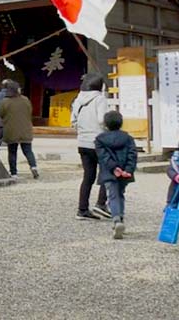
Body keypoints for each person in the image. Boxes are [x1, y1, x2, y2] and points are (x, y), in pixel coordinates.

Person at [71, 73, 109, 220]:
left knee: (88, 176)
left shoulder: (77, 100)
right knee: (107, 172)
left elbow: (73, 121)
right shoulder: (100, 99)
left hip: (82, 142)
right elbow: (101, 120)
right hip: (98, 141)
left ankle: (82, 209)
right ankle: (101, 203)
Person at [96, 111, 136, 239]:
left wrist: (114, 168)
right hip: (125, 172)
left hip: (109, 171)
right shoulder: (128, 138)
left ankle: (116, 220)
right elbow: (132, 154)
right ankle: (121, 219)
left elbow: (103, 156)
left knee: (112, 195)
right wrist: (128, 169)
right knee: (120, 194)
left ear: (106, 124)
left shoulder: (100, 139)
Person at [0, 81, 39, 179]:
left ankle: (14, 173)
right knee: (28, 150)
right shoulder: (25, 100)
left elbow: (0, 113)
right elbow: (30, 111)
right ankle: (33, 166)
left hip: (11, 129)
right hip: (25, 129)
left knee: (12, 151)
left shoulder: (5, 102)